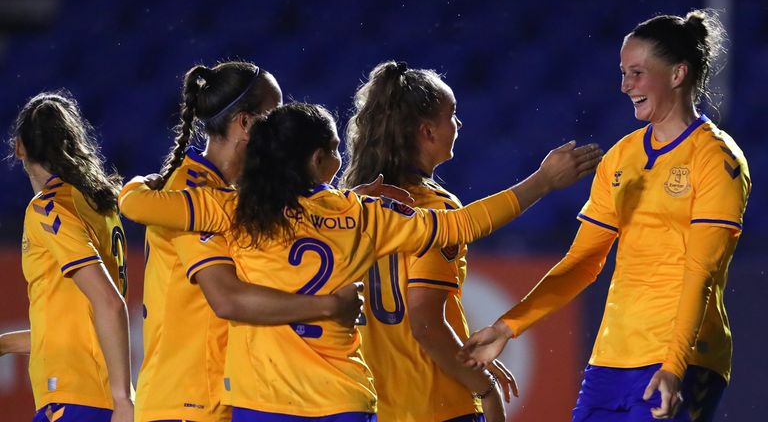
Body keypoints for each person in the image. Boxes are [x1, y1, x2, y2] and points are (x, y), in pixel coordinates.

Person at [117, 101, 601, 421]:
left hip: (260, 401)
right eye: (332, 152)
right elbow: (460, 225)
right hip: (341, 399)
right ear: (319, 161)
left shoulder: (230, 210)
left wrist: (144, 180)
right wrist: (540, 182)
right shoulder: (363, 214)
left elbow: (133, 203)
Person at [458, 9, 751, 422]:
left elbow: (700, 271)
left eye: (636, 73)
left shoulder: (717, 161)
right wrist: (508, 327)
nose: (625, 85)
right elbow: (582, 262)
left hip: (682, 357)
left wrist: (674, 366)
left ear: (677, 74)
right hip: (611, 361)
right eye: (622, 73)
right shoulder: (621, 157)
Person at [134, 61, 365, 422]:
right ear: (245, 123)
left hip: (220, 397)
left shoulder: (236, 194)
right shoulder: (194, 190)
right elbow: (226, 298)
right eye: (272, 116)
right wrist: (330, 307)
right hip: (191, 402)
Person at [341, 61, 566, 422]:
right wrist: (484, 387)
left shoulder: (348, 205)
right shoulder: (434, 208)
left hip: (370, 405)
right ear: (427, 131)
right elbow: (425, 325)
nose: (458, 125)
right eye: (452, 115)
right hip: (436, 403)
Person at [5, 91, 133, 422]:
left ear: (19, 147)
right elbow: (78, 328)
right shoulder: (100, 207)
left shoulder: (47, 209)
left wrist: (123, 402)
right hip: (95, 393)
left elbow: (109, 301)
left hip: (76, 397)